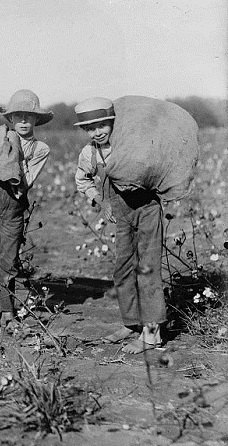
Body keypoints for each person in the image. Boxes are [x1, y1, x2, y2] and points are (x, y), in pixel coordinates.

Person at [73, 97, 164, 354]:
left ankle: (151, 335)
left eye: (102, 125)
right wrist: (101, 201)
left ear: (113, 124)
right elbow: (83, 180)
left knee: (147, 269)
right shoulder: (90, 153)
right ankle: (131, 323)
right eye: (91, 128)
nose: (97, 132)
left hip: (147, 210)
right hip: (121, 215)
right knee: (123, 270)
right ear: (84, 131)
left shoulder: (130, 145)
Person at [0, 89, 52, 337]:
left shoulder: (40, 148)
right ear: (10, 119)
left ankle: (8, 314)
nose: (22, 121)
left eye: (28, 117)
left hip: (14, 206)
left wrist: (13, 157)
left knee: (9, 261)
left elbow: (27, 179)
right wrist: (10, 159)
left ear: (37, 120)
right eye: (17, 116)